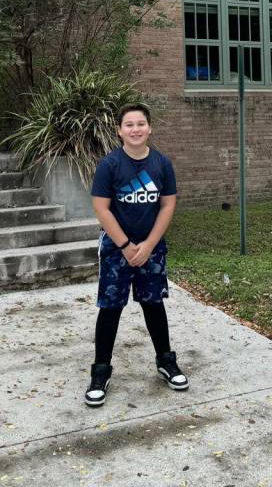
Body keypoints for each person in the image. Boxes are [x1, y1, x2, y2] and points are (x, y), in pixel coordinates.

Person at [85, 102, 188, 407]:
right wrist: (127, 246)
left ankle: (166, 361)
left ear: (149, 128)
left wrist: (149, 245)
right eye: (129, 124)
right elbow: (101, 208)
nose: (135, 129)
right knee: (111, 308)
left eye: (141, 123)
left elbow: (168, 205)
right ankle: (100, 371)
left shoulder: (161, 164)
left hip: (151, 248)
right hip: (118, 250)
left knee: (153, 304)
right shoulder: (110, 165)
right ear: (119, 131)